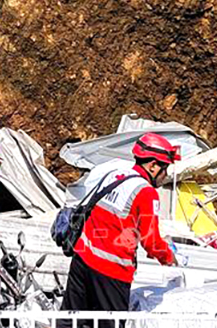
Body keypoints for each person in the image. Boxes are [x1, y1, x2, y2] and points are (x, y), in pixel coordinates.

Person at [61, 133, 179, 323]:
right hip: (111, 273)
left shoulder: (114, 175)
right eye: (165, 169)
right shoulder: (146, 193)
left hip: (82, 260)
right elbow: (151, 242)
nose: (166, 175)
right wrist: (169, 257)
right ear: (153, 166)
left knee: (69, 320)